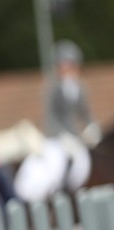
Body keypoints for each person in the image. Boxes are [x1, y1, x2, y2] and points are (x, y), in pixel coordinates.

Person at [16, 40, 102, 201]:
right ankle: (53, 196)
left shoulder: (80, 88)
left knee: (83, 163)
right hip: (55, 138)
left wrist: (91, 127)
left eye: (72, 65)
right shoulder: (52, 87)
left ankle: (75, 194)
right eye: (65, 65)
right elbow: (50, 115)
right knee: (56, 165)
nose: (68, 69)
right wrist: (62, 135)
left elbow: (85, 113)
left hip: (73, 137)